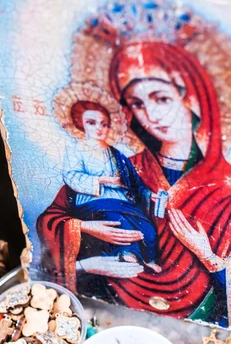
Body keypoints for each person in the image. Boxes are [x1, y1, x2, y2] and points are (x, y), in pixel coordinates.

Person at [37, 42, 231, 344]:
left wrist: (209, 257)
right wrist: (83, 232)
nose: (150, 114)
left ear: (193, 99)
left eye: (161, 98)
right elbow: (52, 219)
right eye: (136, 103)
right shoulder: (127, 169)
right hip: (110, 326)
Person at [61, 99, 162, 271]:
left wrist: (147, 195)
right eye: (92, 123)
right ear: (81, 124)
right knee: (118, 222)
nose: (99, 128)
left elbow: (134, 184)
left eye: (104, 124)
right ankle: (126, 255)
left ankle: (146, 259)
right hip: (94, 200)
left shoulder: (117, 153)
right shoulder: (76, 150)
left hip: (122, 200)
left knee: (148, 230)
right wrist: (101, 181)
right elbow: (71, 176)